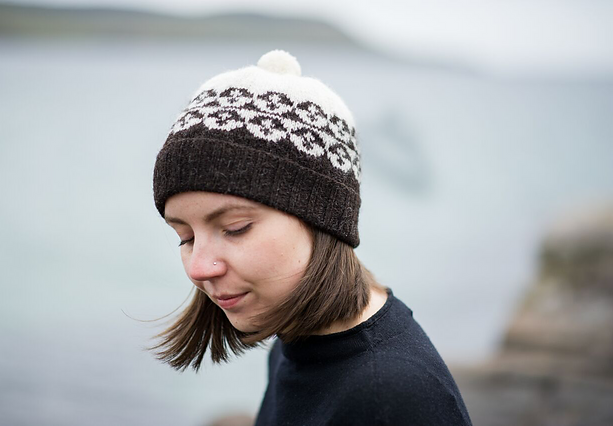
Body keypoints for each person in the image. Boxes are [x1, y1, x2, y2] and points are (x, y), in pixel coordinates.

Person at [152, 49, 472, 425]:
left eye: (235, 228)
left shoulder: (393, 397)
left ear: (323, 218)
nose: (199, 268)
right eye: (185, 237)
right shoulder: (294, 340)